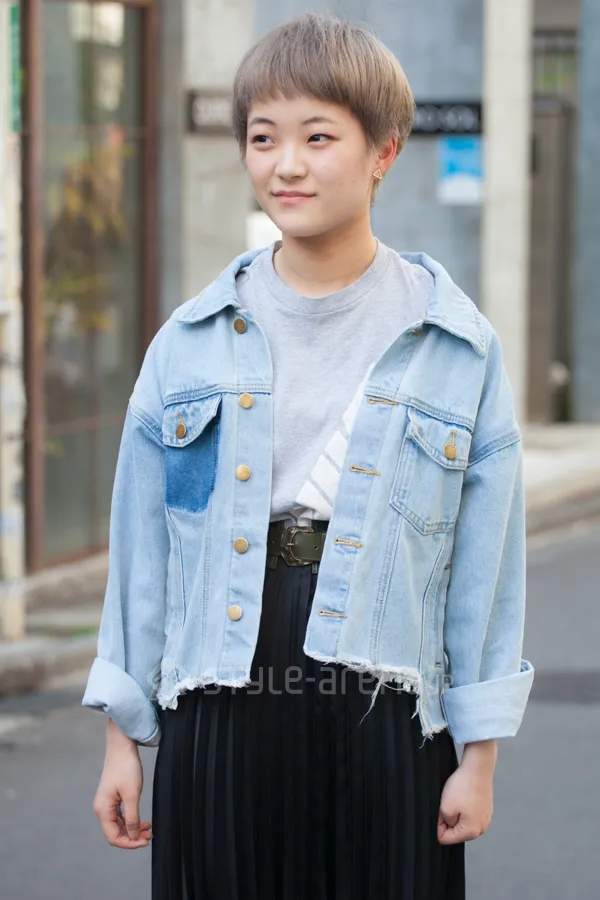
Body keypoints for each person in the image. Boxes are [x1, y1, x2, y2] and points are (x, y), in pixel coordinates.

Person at [83, 12, 534, 900]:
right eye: (263, 138)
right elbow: (144, 553)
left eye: (318, 137)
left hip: (386, 702)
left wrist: (478, 755)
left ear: (383, 151)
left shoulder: (454, 343)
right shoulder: (189, 342)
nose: (285, 164)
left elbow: (487, 567)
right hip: (221, 688)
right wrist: (120, 737)